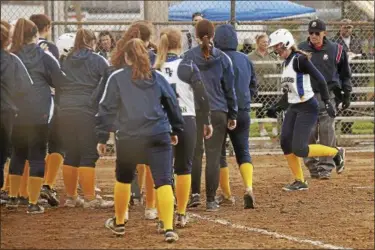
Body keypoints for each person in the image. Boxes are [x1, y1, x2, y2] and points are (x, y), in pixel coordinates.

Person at [96, 38, 184, 242]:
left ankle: (119, 223)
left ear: (126, 58)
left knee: (124, 178)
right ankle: (169, 228)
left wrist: (102, 136)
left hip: (129, 136)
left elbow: (105, 108)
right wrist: (175, 129)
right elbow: (172, 103)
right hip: (158, 133)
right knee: (163, 180)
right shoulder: (157, 77)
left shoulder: (117, 77)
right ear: (145, 56)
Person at [266, 28, 345, 191]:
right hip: (295, 107)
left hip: (308, 107)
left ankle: (336, 153)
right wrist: (276, 107)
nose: (276, 49)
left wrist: (327, 102)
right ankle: (300, 181)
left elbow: (321, 80)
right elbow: (288, 93)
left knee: (300, 148)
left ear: (287, 43)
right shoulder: (285, 63)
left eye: (278, 46)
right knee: (285, 143)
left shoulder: (299, 60)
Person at [154, 27, 212, 227]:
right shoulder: (188, 65)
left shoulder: (155, 67)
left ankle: (163, 217)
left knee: (162, 170)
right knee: (183, 168)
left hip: (161, 122)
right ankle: (180, 213)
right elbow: (203, 97)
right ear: (179, 44)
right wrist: (207, 121)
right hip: (185, 119)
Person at [6, 18, 63, 213]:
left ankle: (12, 198)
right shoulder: (44, 56)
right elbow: (60, 81)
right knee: (38, 155)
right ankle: (32, 203)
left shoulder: (12, 55)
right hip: (39, 112)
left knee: (18, 153)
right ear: (36, 34)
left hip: (15, 111)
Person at [184, 19, 237, 212]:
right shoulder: (223, 58)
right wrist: (233, 113)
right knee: (214, 156)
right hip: (218, 111)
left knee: (195, 154)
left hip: (195, 111)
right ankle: (211, 199)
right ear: (213, 36)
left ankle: (195, 194)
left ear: (196, 36)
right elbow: (229, 89)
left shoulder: (187, 57)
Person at [58, 28, 113, 209]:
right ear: (92, 42)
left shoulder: (65, 60)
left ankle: (72, 197)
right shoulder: (98, 60)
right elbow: (108, 83)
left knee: (71, 153)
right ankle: (90, 198)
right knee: (88, 153)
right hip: (86, 110)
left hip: (65, 109)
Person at [298, 19, 352, 179]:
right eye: (311, 33)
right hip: (306, 96)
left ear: (324, 33)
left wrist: (346, 94)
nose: (313, 36)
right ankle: (313, 167)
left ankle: (325, 168)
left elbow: (345, 74)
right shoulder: (301, 49)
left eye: (317, 33)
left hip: (328, 95)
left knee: (326, 130)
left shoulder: (336, 49)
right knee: (308, 132)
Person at [214, 24, 257, 209]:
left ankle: (227, 194)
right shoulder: (245, 59)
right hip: (243, 110)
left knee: (220, 153)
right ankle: (248, 187)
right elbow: (253, 86)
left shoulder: (216, 59)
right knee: (243, 150)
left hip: (222, 111)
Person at [30, 14, 64, 204]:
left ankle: (14, 189)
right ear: (47, 27)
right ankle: (47, 184)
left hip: (21, 101)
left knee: (21, 148)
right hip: (47, 101)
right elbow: (57, 76)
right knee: (56, 143)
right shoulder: (48, 48)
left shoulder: (16, 50)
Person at [0, 20, 33, 204]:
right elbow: (25, 86)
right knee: (2, 152)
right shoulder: (12, 60)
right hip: (6, 112)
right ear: (7, 41)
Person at [332, 18, 365, 135]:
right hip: (340, 76)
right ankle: (335, 127)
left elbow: (362, 54)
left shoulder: (356, 40)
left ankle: (347, 128)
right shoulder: (334, 41)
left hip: (354, 76)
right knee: (338, 101)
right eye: (345, 27)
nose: (347, 29)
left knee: (352, 101)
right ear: (340, 27)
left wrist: (356, 56)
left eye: (349, 27)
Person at [248, 33, 279, 137]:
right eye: (263, 42)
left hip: (272, 86)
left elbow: (279, 68)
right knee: (260, 108)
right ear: (257, 43)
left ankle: (274, 127)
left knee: (273, 107)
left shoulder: (273, 55)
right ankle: (262, 128)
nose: (265, 44)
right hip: (259, 87)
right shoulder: (251, 56)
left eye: (267, 42)